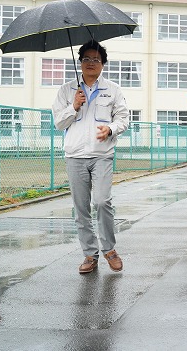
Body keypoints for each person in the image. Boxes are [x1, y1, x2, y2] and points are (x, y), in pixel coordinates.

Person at [52, 40, 130, 274]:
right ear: (80, 62)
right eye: (86, 59)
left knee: (102, 201)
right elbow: (58, 123)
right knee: (81, 208)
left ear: (103, 64)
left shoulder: (113, 90)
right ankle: (89, 254)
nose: (91, 63)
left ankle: (109, 249)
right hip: (75, 155)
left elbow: (123, 119)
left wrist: (111, 129)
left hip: (102, 155)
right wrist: (73, 107)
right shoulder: (67, 91)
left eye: (96, 59)